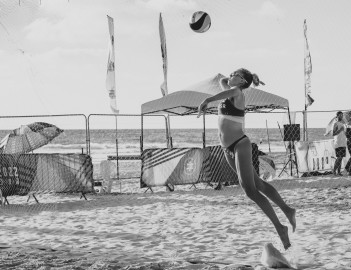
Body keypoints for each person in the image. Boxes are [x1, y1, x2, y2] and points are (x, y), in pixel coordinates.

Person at [197, 68, 296, 250]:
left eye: (236, 74)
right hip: (227, 148)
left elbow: (228, 88)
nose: (231, 75)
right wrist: (246, 77)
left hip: (240, 143)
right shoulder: (231, 89)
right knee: (258, 184)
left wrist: (207, 99)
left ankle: (280, 228)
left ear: (242, 82)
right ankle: (288, 210)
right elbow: (224, 81)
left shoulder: (238, 93)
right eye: (233, 72)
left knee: (250, 191)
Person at [332, 111, 347, 176]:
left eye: (342, 115)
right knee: (339, 157)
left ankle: (339, 172)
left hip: (343, 142)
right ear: (337, 116)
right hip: (338, 143)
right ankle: (334, 171)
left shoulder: (344, 123)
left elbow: (344, 133)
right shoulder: (336, 123)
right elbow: (333, 133)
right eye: (340, 115)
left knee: (341, 158)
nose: (341, 116)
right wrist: (340, 130)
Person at [345, 111, 351, 176]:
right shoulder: (348, 123)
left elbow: (346, 134)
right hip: (349, 141)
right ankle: (349, 170)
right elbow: (347, 134)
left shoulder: (347, 123)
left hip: (348, 141)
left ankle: (347, 167)